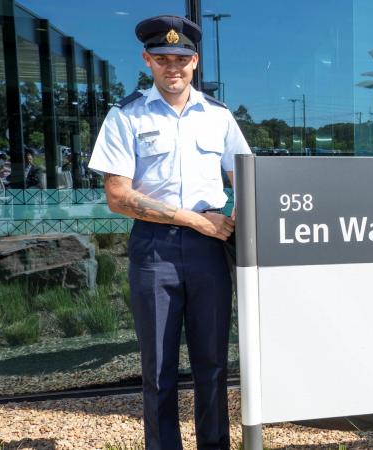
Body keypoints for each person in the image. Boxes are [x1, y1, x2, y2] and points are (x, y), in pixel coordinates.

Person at [88, 14, 251, 450]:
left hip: (209, 252)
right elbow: (119, 197)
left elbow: (249, 181)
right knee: (158, 368)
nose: (172, 66)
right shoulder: (125, 116)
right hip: (155, 249)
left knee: (213, 364)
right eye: (162, 57)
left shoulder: (218, 117)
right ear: (147, 60)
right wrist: (196, 219)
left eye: (181, 57)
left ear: (195, 60)